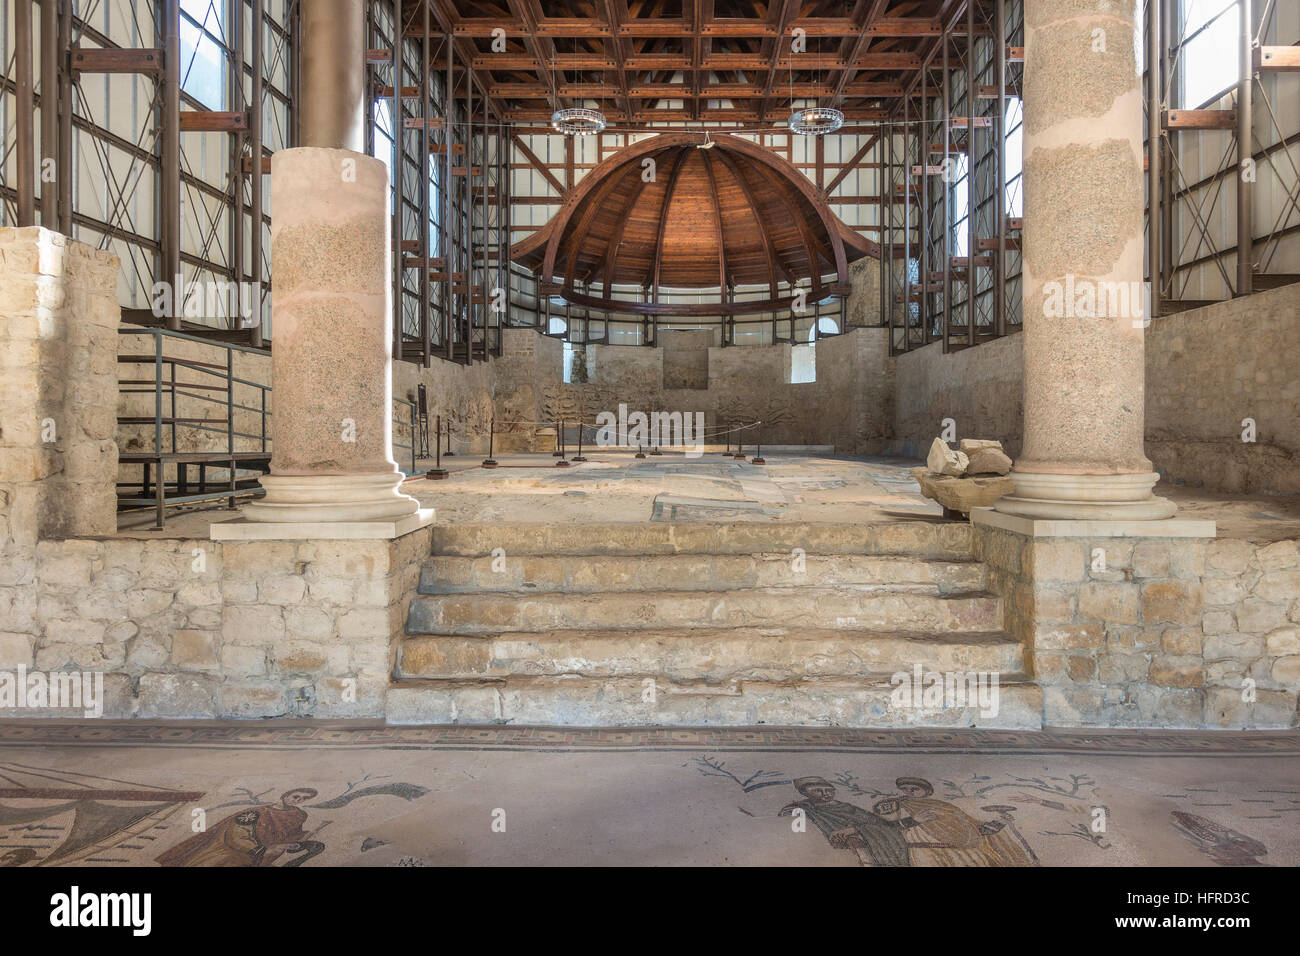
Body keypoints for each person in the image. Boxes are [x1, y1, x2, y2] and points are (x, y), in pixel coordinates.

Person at [157, 788, 319, 867]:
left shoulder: (299, 815)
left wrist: (298, 840)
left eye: (303, 799)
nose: (297, 800)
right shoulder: (257, 812)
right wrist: (262, 849)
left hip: (262, 856)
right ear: (285, 796)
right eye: (295, 796)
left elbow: (291, 835)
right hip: (234, 851)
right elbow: (236, 835)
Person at [779, 777, 910, 866]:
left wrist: (855, 830)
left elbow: (882, 825)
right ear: (804, 792)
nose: (826, 794)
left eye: (829, 790)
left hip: (864, 850)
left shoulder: (848, 808)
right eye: (818, 791)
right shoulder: (799, 809)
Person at [873, 777, 1003, 867]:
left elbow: (971, 828)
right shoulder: (894, 805)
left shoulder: (945, 807)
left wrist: (998, 823)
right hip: (924, 852)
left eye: (915, 789)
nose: (909, 792)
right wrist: (913, 821)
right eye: (905, 788)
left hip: (956, 849)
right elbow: (882, 829)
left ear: (927, 791)